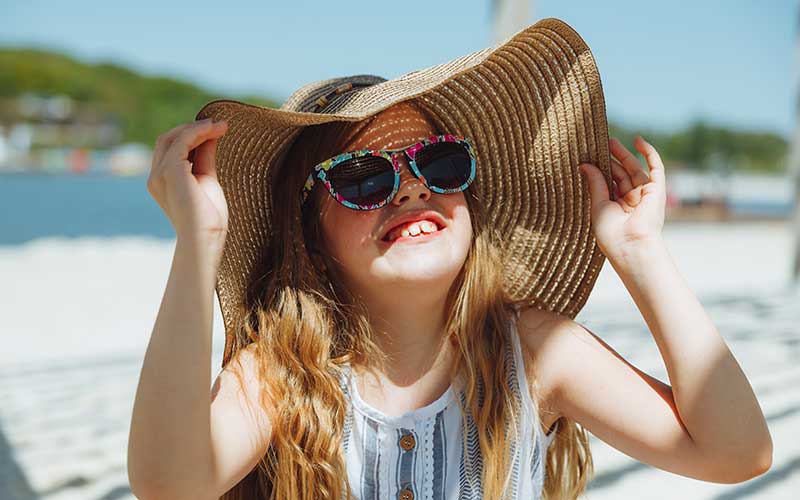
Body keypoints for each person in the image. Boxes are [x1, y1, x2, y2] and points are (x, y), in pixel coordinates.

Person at [128, 18, 772, 500]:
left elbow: (737, 452)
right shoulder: (285, 373)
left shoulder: (534, 352)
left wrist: (641, 254)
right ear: (310, 234)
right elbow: (169, 484)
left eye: (438, 163)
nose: (411, 188)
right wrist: (198, 245)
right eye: (360, 178)